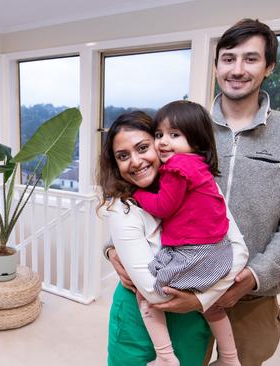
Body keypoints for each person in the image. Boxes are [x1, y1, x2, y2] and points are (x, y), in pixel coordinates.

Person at [106, 18, 280, 366]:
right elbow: (138, 188)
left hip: (251, 295)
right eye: (228, 58)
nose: (237, 69)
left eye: (251, 59)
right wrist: (114, 249)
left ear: (269, 66)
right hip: (183, 289)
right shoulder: (184, 129)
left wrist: (253, 276)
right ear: (216, 65)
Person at [99, 111, 248, 365]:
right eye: (123, 156)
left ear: (160, 147)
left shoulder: (199, 183)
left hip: (192, 316)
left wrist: (200, 300)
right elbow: (152, 292)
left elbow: (239, 251)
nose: (135, 162)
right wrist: (207, 291)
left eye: (143, 147)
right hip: (140, 320)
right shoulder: (122, 209)